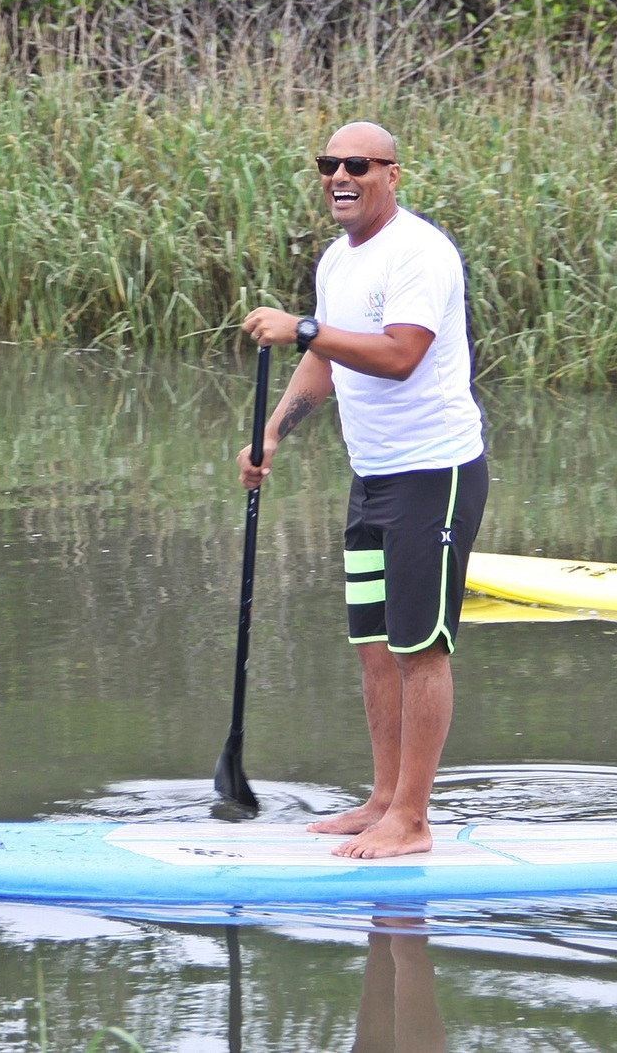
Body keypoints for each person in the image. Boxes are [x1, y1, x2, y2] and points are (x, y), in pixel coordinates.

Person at [237, 121, 488, 859]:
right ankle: (382, 800)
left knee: (419, 648)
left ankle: (412, 819)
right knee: (374, 646)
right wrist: (273, 432)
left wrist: (302, 328)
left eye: (358, 164)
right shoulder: (337, 260)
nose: (340, 176)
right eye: (329, 164)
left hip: (434, 474)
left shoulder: (420, 253)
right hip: (372, 476)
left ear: (391, 174)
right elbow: (325, 360)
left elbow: (401, 354)